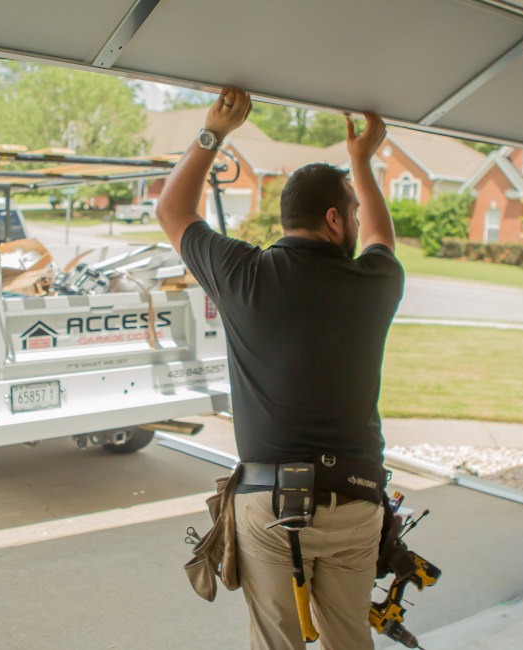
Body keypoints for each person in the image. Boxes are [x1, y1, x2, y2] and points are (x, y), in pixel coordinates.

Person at [156, 87, 405, 649]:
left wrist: (213, 133)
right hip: (357, 500)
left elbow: (172, 210)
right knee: (349, 642)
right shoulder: (375, 283)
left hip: (269, 506)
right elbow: (381, 239)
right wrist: (363, 161)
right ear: (336, 218)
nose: (360, 221)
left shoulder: (243, 274)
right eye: (355, 212)